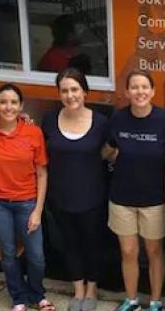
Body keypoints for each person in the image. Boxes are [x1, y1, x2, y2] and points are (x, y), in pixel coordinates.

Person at [103, 70, 165, 311]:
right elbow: (107, 150)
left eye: (145, 87)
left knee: (154, 251)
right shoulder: (118, 118)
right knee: (128, 251)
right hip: (122, 197)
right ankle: (131, 299)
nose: (140, 92)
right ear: (127, 92)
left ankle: (155, 301)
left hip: (154, 199)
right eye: (134, 87)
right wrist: (112, 153)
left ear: (153, 91)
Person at [0, 84, 55, 311]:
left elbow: (42, 172)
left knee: (36, 256)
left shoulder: (33, 133)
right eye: (3, 102)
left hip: (27, 202)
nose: (8, 107)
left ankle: (37, 294)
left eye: (13, 102)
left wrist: (37, 210)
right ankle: (18, 298)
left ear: (21, 106)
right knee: (8, 253)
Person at [42, 68, 109, 311]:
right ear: (59, 94)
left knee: (92, 243)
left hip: (92, 196)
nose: (70, 95)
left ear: (85, 92)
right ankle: (78, 289)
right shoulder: (50, 119)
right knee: (69, 243)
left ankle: (92, 288)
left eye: (75, 90)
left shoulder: (101, 122)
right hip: (60, 196)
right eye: (65, 90)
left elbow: (109, 151)